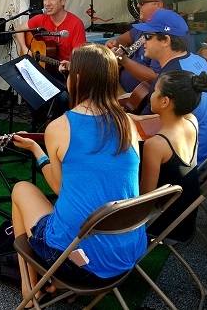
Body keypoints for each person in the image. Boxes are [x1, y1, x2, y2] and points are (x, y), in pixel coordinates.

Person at [10, 43, 144, 305]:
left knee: (21, 189)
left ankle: (30, 287)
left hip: (75, 262)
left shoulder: (59, 126)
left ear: (78, 80)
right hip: (127, 255)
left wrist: (39, 153)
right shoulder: (127, 122)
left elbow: (59, 188)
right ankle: (44, 285)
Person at [132, 9, 207, 165]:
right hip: (204, 155)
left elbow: (142, 130)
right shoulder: (196, 59)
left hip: (185, 163)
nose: (143, 41)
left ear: (166, 40)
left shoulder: (169, 80)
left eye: (147, 36)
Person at [140, 70, 207, 242]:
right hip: (184, 215)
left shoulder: (156, 145)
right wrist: (136, 118)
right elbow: (167, 118)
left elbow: (143, 200)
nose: (151, 94)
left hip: (164, 223)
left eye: (155, 90)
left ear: (165, 101)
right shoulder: (191, 120)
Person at [14, 0, 86, 129]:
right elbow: (19, 30)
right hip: (43, 69)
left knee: (64, 97)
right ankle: (38, 124)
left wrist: (70, 65)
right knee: (26, 84)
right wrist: (25, 48)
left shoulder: (75, 24)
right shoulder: (40, 19)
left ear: (63, 1)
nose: (47, 3)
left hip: (63, 73)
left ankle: (54, 127)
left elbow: (80, 58)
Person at [105, 0, 173, 92]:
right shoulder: (146, 23)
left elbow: (155, 78)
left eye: (142, 2)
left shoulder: (166, 34)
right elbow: (127, 37)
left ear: (159, 5)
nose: (138, 5)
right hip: (118, 84)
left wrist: (124, 60)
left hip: (134, 97)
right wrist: (114, 42)